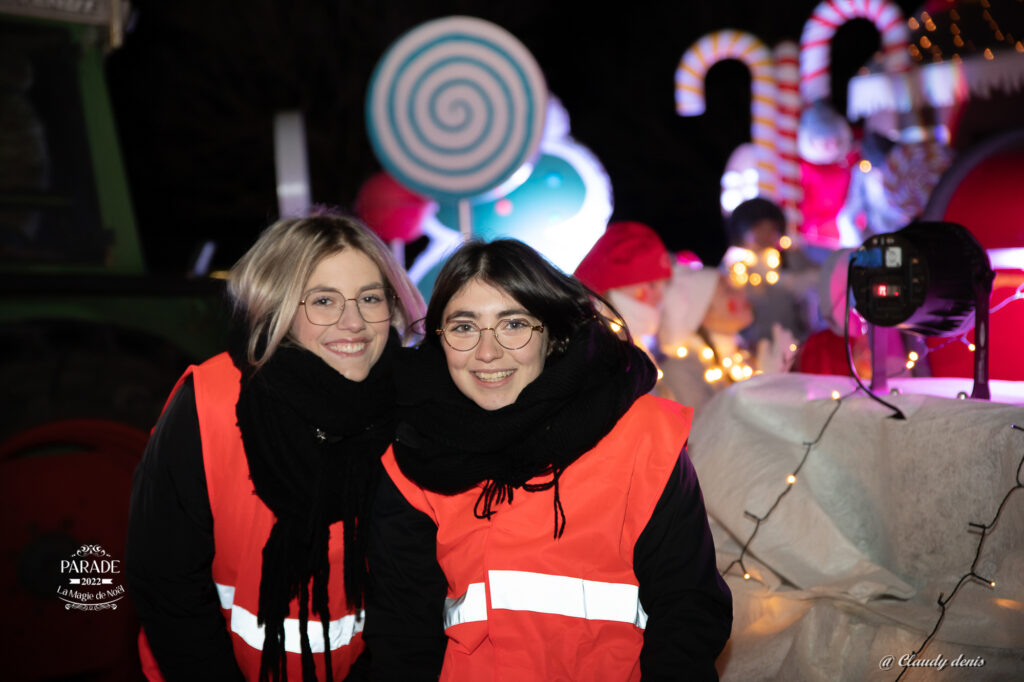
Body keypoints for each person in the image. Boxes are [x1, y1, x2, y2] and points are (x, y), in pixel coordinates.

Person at [364, 239, 732, 681]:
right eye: (463, 327)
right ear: (440, 341)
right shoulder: (415, 458)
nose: (487, 352)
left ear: (553, 334)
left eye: (514, 324)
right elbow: (402, 640)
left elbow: (688, 611)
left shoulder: (641, 437)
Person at [126, 211, 425, 682]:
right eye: (323, 300)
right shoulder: (209, 401)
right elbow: (166, 583)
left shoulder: (415, 405)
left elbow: (421, 598)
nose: (354, 322)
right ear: (278, 308)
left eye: (370, 298)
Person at [725, 197, 820, 349]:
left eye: (772, 228)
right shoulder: (733, 268)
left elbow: (820, 280)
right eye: (759, 228)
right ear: (742, 231)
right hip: (749, 351)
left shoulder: (791, 259)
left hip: (794, 347)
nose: (766, 234)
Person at [572, 220, 673, 349]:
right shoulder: (592, 347)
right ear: (615, 283)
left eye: (663, 287)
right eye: (652, 285)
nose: (660, 297)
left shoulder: (629, 344)